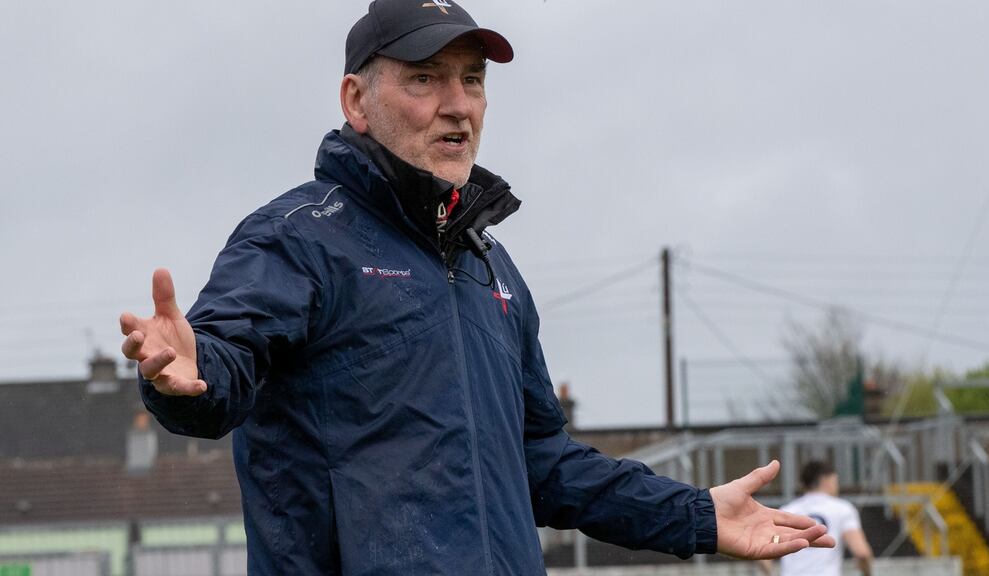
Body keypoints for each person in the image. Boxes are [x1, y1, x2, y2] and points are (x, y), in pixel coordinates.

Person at [119, 1, 834, 573]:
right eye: (425, 78)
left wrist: (695, 515)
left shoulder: (494, 269)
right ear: (356, 101)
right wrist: (190, 371)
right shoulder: (297, 238)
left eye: (473, 79)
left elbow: (543, 463)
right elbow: (217, 376)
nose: (458, 104)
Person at [759, 461, 874, 576]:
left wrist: (769, 573)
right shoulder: (842, 509)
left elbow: (767, 552)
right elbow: (861, 553)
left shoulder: (788, 510)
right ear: (826, 480)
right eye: (836, 481)